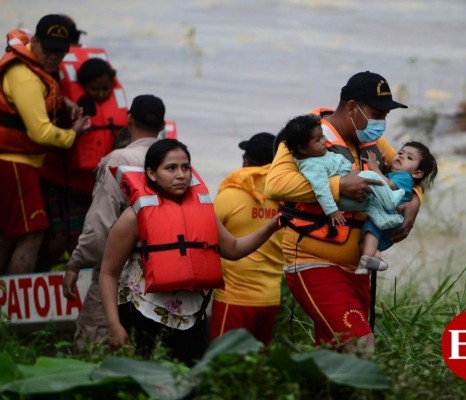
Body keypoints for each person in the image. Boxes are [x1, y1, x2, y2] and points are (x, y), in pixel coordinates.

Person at [265, 71, 422, 355]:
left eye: (386, 115)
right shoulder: (308, 135)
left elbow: (409, 172)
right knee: (362, 348)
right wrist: (339, 186)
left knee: (333, 358)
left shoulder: (371, 143)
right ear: (352, 107)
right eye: (377, 113)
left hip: (357, 269)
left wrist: (415, 202)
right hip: (315, 262)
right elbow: (275, 185)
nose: (382, 122)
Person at [99, 139, 281, 364]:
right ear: (152, 173)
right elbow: (108, 273)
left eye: (186, 167)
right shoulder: (133, 217)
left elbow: (233, 249)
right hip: (143, 315)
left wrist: (271, 227)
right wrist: (114, 325)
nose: (181, 175)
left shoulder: (203, 212)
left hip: (193, 318)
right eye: (171, 168)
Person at [62, 94, 162, 352]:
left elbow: (100, 224)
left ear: (128, 120)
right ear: (161, 126)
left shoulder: (118, 161)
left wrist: (76, 263)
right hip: (164, 269)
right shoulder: (177, 162)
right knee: (151, 347)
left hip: (119, 271)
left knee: (93, 346)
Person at [0, 14, 90, 275]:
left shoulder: (32, 59)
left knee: (7, 235)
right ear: (36, 42)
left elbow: (39, 97)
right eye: (49, 51)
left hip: (17, 163)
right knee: (33, 235)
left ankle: (5, 308)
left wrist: (63, 102)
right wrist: (73, 133)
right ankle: (17, 308)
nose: (54, 58)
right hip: (15, 164)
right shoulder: (24, 75)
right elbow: (40, 133)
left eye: (60, 53)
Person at [38, 52, 128, 270]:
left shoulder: (121, 113)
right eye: (94, 89)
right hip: (59, 183)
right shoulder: (67, 107)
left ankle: (75, 278)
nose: (100, 93)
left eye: (105, 89)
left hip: (89, 188)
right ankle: (41, 275)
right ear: (82, 85)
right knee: (55, 244)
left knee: (81, 239)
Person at [279, 113, 406, 241]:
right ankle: (391, 199)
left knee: (370, 205)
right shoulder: (312, 166)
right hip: (344, 199)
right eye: (317, 140)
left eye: (322, 136)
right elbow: (321, 189)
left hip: (349, 196)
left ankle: (384, 220)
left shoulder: (317, 155)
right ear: (302, 149)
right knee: (370, 176)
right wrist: (332, 211)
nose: (324, 141)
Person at [209, 132, 283, 345]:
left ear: (246, 161)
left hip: (233, 298)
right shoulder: (286, 198)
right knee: (256, 367)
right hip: (271, 297)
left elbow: (205, 238)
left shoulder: (228, 197)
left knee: (222, 362)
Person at [357, 143, 437, 274]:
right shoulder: (396, 174)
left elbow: (386, 185)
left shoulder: (405, 178)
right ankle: (376, 257)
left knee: (371, 229)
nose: (401, 156)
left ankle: (366, 261)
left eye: (409, 158)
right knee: (364, 239)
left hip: (388, 216)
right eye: (400, 153)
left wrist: (374, 168)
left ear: (417, 173)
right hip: (387, 218)